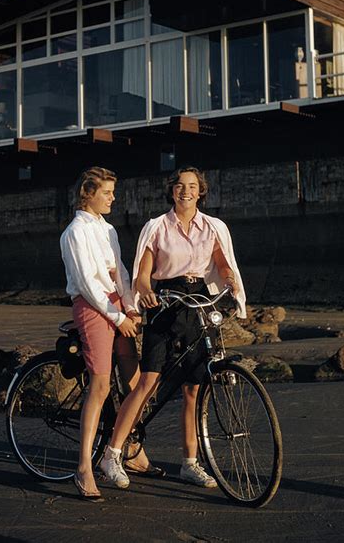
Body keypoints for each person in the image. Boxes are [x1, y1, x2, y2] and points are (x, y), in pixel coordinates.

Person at [100, 166, 247, 489]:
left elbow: (222, 261)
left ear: (200, 191)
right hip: (166, 301)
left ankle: (190, 463)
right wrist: (146, 291)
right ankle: (112, 453)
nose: (186, 191)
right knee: (148, 381)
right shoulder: (157, 227)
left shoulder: (212, 227)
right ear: (172, 190)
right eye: (180, 186)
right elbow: (142, 272)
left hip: (198, 302)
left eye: (192, 186)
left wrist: (228, 277)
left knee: (194, 389)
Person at [60, 166, 160, 501]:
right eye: (107, 192)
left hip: (117, 306)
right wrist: (118, 318)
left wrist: (130, 307)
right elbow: (88, 284)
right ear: (87, 193)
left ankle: (128, 448)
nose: (113, 198)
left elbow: (122, 272)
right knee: (101, 386)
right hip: (92, 307)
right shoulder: (75, 232)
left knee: (133, 382)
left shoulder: (108, 230)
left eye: (112, 192)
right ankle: (84, 467)